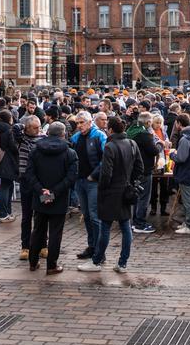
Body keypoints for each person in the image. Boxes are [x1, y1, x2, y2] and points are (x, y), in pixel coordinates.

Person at [78, 116, 143, 273]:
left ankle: (97, 261)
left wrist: (102, 188)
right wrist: (130, 181)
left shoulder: (110, 146)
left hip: (111, 192)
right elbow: (139, 168)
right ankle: (122, 263)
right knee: (125, 227)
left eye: (108, 128)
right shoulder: (132, 143)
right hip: (125, 190)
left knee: (105, 227)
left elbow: (106, 173)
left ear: (111, 129)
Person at [24, 121, 78, 275]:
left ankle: (33, 262)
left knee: (38, 230)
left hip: (41, 196)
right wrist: (53, 192)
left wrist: (42, 191)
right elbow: (71, 177)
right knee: (55, 233)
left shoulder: (35, 150)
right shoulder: (70, 153)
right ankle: (51, 265)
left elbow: (29, 173)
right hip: (58, 198)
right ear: (63, 134)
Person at [70, 110, 106, 259]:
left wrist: (94, 175)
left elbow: (106, 159)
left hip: (93, 181)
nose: (79, 126)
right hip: (80, 181)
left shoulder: (99, 136)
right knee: (86, 215)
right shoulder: (75, 137)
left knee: (94, 215)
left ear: (90, 122)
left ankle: (99, 250)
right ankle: (92, 246)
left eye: (82, 123)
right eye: (77, 123)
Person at [17, 115, 44, 260]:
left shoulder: (43, 139)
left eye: (39, 127)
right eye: (35, 127)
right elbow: (14, 130)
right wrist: (21, 126)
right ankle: (25, 246)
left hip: (41, 183)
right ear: (27, 128)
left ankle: (43, 245)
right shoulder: (21, 139)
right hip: (26, 182)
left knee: (42, 215)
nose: (38, 130)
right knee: (26, 216)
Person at [128, 111, 159, 234]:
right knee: (144, 197)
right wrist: (160, 145)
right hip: (144, 169)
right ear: (148, 122)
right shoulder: (145, 134)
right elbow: (153, 150)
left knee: (137, 195)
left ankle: (135, 222)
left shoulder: (130, 131)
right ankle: (140, 223)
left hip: (132, 169)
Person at [171, 112, 190, 235]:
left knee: (188, 200)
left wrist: (172, 154)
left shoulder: (185, 138)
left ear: (179, 123)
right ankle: (188, 222)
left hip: (186, 172)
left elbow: (181, 158)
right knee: (189, 198)